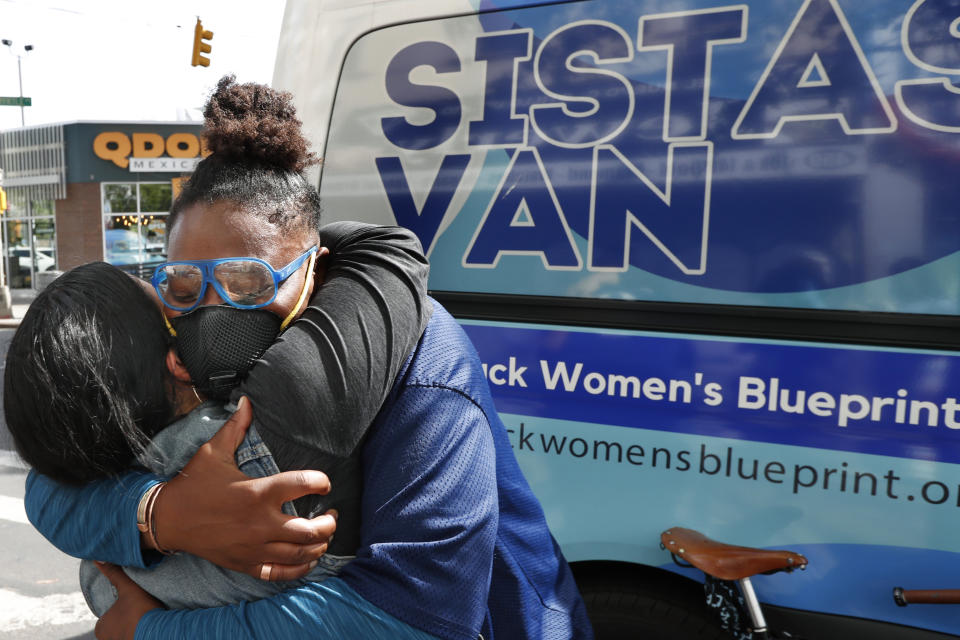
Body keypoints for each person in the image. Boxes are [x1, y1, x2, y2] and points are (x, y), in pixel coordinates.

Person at [22, 75, 594, 640]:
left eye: (246, 281)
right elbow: (55, 479)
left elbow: (421, 615)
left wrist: (151, 629)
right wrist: (163, 514)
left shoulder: (420, 363)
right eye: (184, 282)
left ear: (313, 269)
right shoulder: (172, 350)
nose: (211, 309)